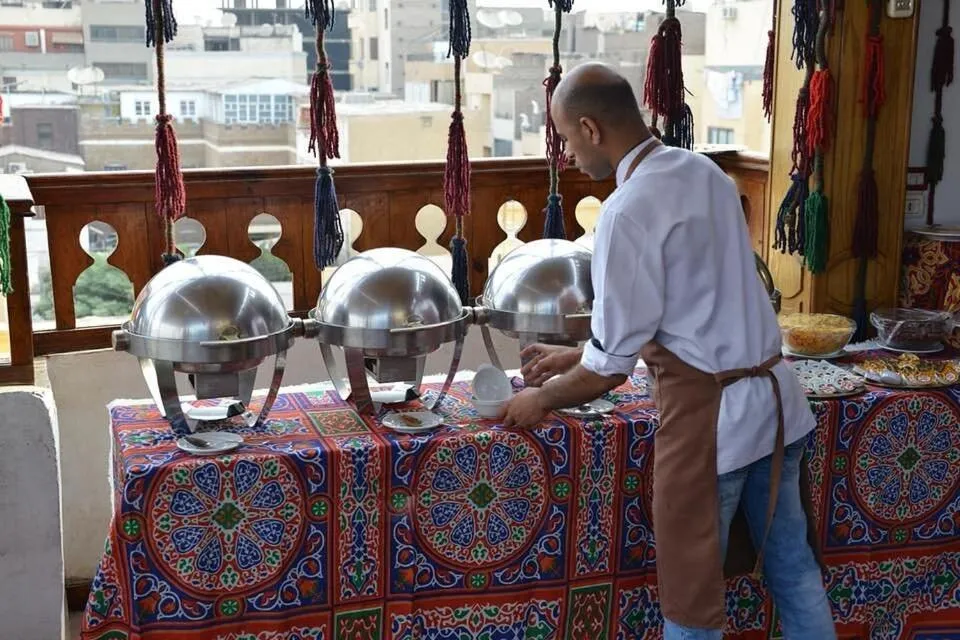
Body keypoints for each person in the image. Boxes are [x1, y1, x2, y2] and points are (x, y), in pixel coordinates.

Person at [497, 62, 836, 639]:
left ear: (591, 127)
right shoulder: (703, 171)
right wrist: (576, 355)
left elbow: (611, 368)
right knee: (793, 568)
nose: (567, 156)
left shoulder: (627, 211)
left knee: (690, 599)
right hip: (778, 409)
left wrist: (542, 401)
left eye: (568, 140)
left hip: (715, 429)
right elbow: (687, 306)